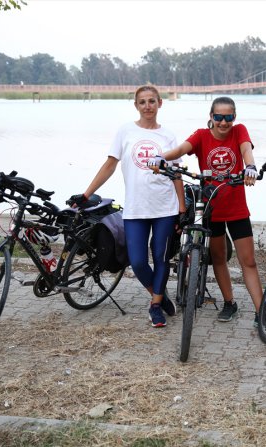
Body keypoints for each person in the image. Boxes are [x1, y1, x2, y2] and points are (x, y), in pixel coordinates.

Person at [149, 96, 266, 328]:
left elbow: (246, 149)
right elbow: (180, 149)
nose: (223, 122)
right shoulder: (201, 135)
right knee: (218, 258)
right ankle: (230, 302)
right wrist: (162, 158)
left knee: (248, 261)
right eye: (218, 117)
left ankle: (261, 311)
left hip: (237, 208)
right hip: (211, 206)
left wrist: (250, 167)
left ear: (234, 117)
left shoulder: (239, 131)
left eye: (228, 117)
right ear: (211, 117)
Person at [74, 85, 185, 328]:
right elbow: (109, 166)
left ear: (159, 104)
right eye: (142, 102)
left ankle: (155, 306)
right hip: (136, 208)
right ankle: (160, 294)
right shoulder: (125, 131)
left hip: (165, 206)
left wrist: (182, 208)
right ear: (136, 105)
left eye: (152, 101)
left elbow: (176, 174)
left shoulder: (168, 136)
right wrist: (86, 194)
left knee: (161, 257)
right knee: (137, 261)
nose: (147, 106)